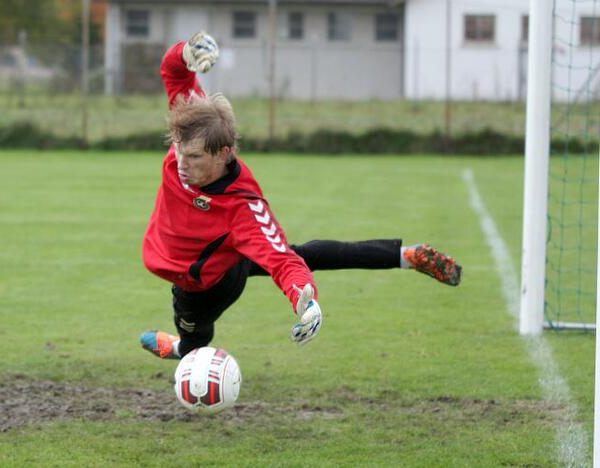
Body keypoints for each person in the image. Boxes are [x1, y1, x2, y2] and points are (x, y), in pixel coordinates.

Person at [140, 32, 461, 360]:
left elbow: (281, 261)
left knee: (195, 342)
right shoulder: (195, 124)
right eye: (179, 152)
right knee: (311, 253)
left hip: (207, 281)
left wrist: (305, 303)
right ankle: (407, 256)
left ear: (223, 154)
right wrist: (187, 52)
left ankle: (181, 347)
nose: (181, 164)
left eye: (194, 158)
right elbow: (174, 71)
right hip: (219, 254)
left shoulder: (244, 208)